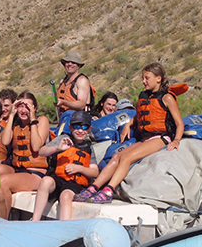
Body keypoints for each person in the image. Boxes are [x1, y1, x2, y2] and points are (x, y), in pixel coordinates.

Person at [75, 62, 184, 204]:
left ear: (158, 78)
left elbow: (179, 123)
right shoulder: (144, 96)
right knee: (116, 156)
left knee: (126, 158)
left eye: (147, 78)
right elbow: (140, 115)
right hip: (145, 138)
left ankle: (108, 190)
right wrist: (128, 124)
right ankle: (93, 187)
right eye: (143, 78)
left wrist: (176, 140)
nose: (143, 81)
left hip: (160, 138)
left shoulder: (167, 98)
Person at [31, 111, 99, 221]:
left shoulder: (89, 147)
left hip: (75, 185)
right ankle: (35, 220)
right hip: (58, 180)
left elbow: (95, 172)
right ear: (70, 127)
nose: (80, 130)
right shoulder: (63, 139)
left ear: (89, 129)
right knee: (46, 181)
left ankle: (64, 225)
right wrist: (57, 148)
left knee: (65, 195)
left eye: (84, 127)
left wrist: (79, 168)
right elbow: (41, 151)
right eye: (76, 126)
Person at [0, 91, 51, 211]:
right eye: (20, 106)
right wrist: (11, 115)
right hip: (18, 169)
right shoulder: (15, 124)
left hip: (35, 173)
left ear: (34, 108)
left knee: (3, 181)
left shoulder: (42, 120)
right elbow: (5, 141)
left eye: (27, 106)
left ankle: (2, 216)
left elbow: (36, 146)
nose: (23, 110)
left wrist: (32, 118)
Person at [56, 50, 95, 117]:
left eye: (73, 62)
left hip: (79, 120)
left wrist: (63, 102)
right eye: (67, 62)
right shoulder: (62, 81)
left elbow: (81, 105)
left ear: (78, 65)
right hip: (63, 119)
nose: (70, 64)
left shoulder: (81, 80)